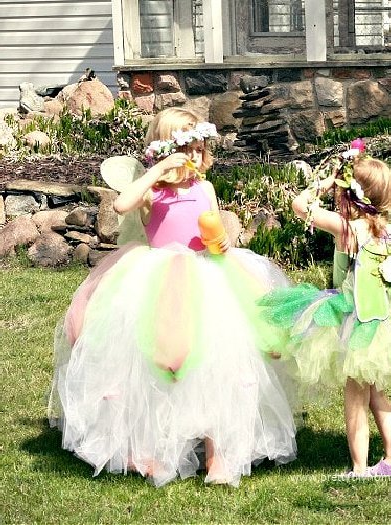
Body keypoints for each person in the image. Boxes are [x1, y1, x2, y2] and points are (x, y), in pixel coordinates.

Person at [48, 108, 296, 487]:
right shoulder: (152, 193)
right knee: (144, 364)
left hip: (210, 278)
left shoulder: (205, 188)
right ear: (163, 151)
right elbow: (120, 205)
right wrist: (155, 172)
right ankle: (141, 448)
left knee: (219, 362)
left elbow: (213, 231)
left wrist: (223, 244)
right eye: (185, 149)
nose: (193, 156)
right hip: (157, 281)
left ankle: (217, 456)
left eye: (199, 148)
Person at [260, 142, 391, 477]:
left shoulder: (348, 229)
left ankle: (359, 467)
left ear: (349, 196)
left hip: (356, 322)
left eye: (339, 192)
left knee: (356, 397)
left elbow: (299, 206)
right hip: (385, 321)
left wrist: (322, 183)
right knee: (377, 393)